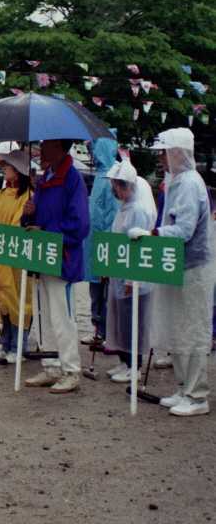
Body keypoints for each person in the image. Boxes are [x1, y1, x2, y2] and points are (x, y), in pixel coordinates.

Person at [134, 129, 215, 416]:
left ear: (179, 152)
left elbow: (184, 230)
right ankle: (183, 388)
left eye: (164, 151)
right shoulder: (177, 181)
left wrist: (151, 233)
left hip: (192, 268)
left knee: (191, 331)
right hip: (175, 265)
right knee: (178, 330)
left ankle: (197, 396)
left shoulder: (191, 184)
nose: (160, 157)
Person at [21, 138, 90, 394]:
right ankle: (50, 367)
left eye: (46, 146)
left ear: (60, 148)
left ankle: (70, 370)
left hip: (62, 261)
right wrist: (28, 212)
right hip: (41, 257)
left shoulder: (73, 180)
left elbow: (79, 225)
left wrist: (46, 230)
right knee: (43, 317)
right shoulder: (44, 179)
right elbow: (32, 219)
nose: (40, 151)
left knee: (62, 318)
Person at [102, 160, 157, 383]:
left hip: (132, 278)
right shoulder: (125, 207)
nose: (113, 190)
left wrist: (132, 280)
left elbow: (139, 249)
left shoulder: (137, 210)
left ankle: (135, 366)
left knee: (134, 323)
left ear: (125, 185)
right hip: (120, 274)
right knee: (122, 323)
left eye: (115, 185)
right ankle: (125, 361)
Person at [0, 149, 34, 363]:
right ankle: (5, 345)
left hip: (18, 258)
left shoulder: (28, 196)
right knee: (2, 302)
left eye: (8, 165)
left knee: (20, 303)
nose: (3, 168)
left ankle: (18, 346)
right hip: (0, 255)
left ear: (20, 170)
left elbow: (18, 224)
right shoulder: (1, 193)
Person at [82, 136, 120, 345]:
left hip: (105, 246)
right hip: (92, 244)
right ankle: (97, 327)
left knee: (107, 292)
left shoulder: (112, 176)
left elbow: (112, 217)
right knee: (95, 290)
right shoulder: (99, 175)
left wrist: (108, 247)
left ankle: (108, 331)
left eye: (95, 150)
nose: (92, 154)